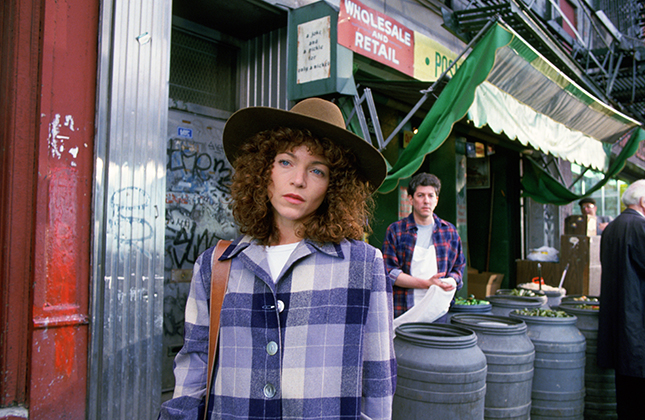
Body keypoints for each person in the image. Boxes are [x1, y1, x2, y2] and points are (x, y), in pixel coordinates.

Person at [158, 97, 396, 420]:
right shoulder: (217, 265)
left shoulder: (363, 265)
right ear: (262, 169)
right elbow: (193, 372)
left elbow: (378, 382)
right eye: (286, 162)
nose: (298, 179)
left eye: (317, 170)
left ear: (334, 186)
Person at [382, 172, 465, 321]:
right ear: (410, 199)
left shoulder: (449, 232)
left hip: (438, 311)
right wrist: (427, 284)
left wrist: (450, 281)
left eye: (430, 196)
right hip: (403, 310)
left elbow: (458, 268)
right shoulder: (396, 231)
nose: (426, 201)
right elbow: (389, 272)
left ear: (436, 200)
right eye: (420, 195)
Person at [597, 179, 645, 419]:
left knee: (625, 395)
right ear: (644, 202)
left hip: (617, 319)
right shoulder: (639, 227)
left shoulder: (612, 227)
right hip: (637, 321)